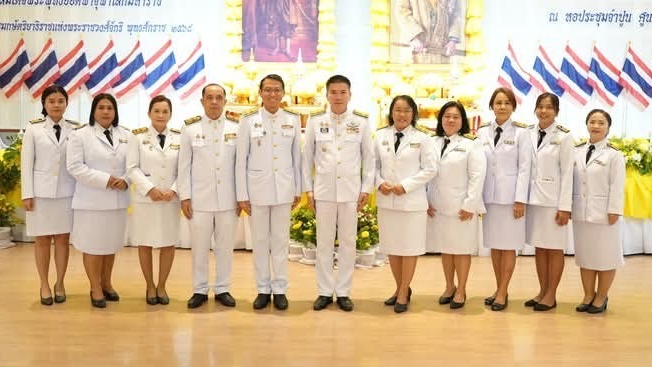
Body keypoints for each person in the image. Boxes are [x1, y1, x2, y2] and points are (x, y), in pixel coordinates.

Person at [302, 75, 375, 312]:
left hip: (351, 192)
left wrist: (365, 188)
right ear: (327, 95)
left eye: (342, 92)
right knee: (323, 243)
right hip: (323, 191)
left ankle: (343, 291)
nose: (338, 96)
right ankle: (324, 291)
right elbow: (306, 159)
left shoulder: (361, 122)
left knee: (348, 242)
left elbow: (369, 158)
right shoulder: (316, 121)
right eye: (333, 92)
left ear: (349, 94)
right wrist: (308, 190)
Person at [236, 74, 301, 310]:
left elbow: (297, 158)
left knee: (281, 241)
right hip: (257, 190)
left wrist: (298, 189)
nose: (272, 94)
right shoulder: (248, 120)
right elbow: (240, 160)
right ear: (260, 93)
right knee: (260, 241)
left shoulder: (292, 119)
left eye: (276, 90)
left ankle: (280, 288)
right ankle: (263, 288)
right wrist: (242, 194)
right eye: (268, 90)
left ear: (283, 93)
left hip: (284, 189)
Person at [178, 84, 240, 309]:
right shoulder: (190, 128)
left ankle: (223, 288)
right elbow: (183, 166)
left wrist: (241, 197)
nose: (214, 102)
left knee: (225, 247)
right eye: (210, 98)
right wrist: (185, 196)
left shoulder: (237, 126)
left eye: (219, 98)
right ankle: (199, 289)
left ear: (225, 101)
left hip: (228, 199)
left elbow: (239, 166)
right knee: (200, 248)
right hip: (199, 200)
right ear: (202, 101)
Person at [67, 93, 131, 308]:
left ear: (115, 112)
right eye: (101, 107)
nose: (106, 112)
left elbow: (133, 165)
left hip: (117, 201)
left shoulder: (126, 135)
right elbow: (75, 167)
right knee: (93, 246)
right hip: (91, 201)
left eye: (110, 108)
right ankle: (95, 287)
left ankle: (106, 283)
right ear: (94, 111)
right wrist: (107, 180)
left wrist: (125, 180)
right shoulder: (80, 135)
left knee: (110, 245)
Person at [375, 95, 436, 313]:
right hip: (387, 201)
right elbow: (372, 165)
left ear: (413, 114)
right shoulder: (380, 135)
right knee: (393, 247)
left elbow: (430, 169)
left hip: (411, 202)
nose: (402, 115)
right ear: (391, 112)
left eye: (407, 111)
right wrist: (380, 182)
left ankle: (403, 291)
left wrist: (406, 186)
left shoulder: (423, 138)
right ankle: (399, 287)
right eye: (398, 110)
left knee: (408, 249)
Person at [21, 84, 79, 305]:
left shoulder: (75, 129)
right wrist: (28, 194)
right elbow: (26, 164)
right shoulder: (33, 128)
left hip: (67, 193)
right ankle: (44, 283)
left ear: (66, 103)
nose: (56, 105)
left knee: (63, 239)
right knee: (42, 240)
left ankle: (60, 282)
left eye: (61, 101)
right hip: (41, 194)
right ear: (44, 104)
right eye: (52, 101)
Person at [476, 87, 531, 311]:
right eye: (498, 102)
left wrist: (520, 200)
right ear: (492, 106)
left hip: (510, 200)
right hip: (489, 198)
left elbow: (525, 168)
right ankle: (500, 288)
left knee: (508, 247)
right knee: (495, 247)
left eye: (507, 103)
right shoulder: (481, 132)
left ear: (513, 107)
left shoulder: (522, 132)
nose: (502, 107)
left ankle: (502, 291)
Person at [428, 100, 485, 309]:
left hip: (462, 207)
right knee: (446, 249)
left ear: (462, 121)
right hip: (439, 206)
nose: (450, 120)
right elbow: (426, 173)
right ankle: (449, 286)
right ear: (441, 119)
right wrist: (426, 200)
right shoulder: (432, 142)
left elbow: (477, 176)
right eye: (446, 116)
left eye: (455, 117)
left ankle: (461, 289)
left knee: (461, 250)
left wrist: (470, 205)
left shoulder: (471, 144)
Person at [127, 95, 180, 305]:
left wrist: (174, 190)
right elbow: (132, 168)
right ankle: (149, 285)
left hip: (169, 199)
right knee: (145, 243)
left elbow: (184, 169)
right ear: (149, 113)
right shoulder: (137, 137)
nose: (160, 115)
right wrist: (149, 189)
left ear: (170, 114)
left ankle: (162, 285)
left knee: (168, 243)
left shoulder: (179, 137)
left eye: (165, 111)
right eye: (156, 111)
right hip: (146, 200)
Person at [572, 109, 625, 314]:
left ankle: (601, 296)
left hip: (605, 215)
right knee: (586, 257)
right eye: (592, 122)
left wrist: (614, 210)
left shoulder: (614, 154)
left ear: (608, 127)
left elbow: (617, 185)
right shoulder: (576, 151)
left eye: (601, 123)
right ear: (587, 125)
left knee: (605, 257)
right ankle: (588, 294)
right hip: (581, 213)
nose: (596, 126)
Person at [524, 92, 574, 312]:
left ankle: (551, 294)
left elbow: (568, 174)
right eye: (540, 106)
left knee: (554, 249)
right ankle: (542, 291)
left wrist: (565, 207)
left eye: (549, 107)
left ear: (556, 111)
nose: (543, 111)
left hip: (554, 203)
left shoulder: (564, 136)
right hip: (534, 201)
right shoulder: (528, 133)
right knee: (540, 249)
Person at [394, 0, 462, 64]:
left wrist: (452, 40)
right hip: (416, 50)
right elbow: (402, 11)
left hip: (441, 52)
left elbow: (456, 13)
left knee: (440, 75)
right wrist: (414, 37)